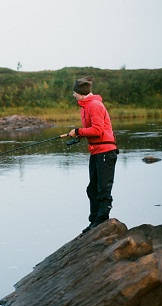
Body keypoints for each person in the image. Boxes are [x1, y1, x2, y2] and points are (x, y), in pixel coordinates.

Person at [68, 77, 118, 234]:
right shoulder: (86, 106)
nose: (73, 94)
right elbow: (93, 130)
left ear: (79, 92)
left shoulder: (94, 105)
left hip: (105, 152)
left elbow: (97, 130)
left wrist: (78, 131)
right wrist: (79, 134)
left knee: (103, 189)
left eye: (74, 92)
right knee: (92, 189)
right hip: (96, 152)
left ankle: (101, 221)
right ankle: (94, 222)